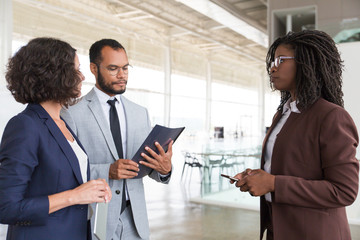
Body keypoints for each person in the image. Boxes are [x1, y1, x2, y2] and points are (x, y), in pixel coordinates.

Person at [231, 30, 359, 240]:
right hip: (279, 229)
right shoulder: (282, 114)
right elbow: (288, 168)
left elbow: (344, 191)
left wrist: (272, 183)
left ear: (307, 63)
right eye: (273, 60)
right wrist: (256, 177)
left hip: (316, 233)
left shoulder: (332, 116)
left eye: (281, 60)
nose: (273, 67)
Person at [0, 37, 112, 240]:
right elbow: (7, 207)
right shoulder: (26, 126)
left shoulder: (61, 123)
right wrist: (75, 196)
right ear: (54, 74)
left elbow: (58, 178)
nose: (82, 76)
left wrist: (93, 187)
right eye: (76, 69)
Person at [61, 39, 173, 240]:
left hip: (135, 222)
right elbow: (65, 171)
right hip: (96, 218)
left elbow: (147, 166)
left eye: (125, 68)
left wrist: (164, 169)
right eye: (113, 69)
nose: (122, 75)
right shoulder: (72, 113)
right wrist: (107, 171)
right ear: (94, 69)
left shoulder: (140, 113)